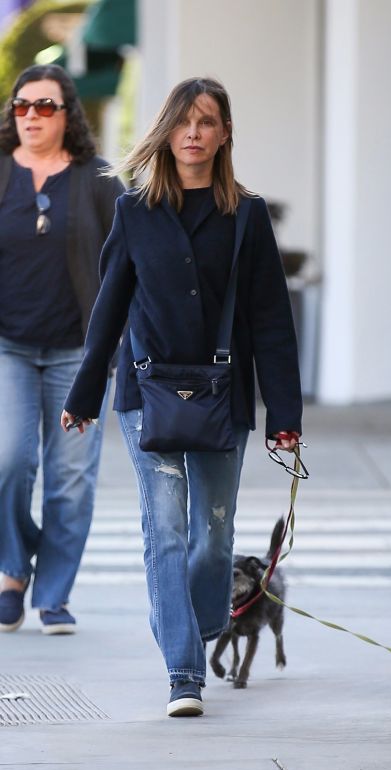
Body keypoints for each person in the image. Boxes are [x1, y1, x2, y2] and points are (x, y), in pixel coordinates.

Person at [61, 77, 303, 717]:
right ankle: (184, 672)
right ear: (167, 131)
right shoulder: (135, 211)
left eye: (207, 122)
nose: (194, 133)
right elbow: (110, 308)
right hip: (149, 395)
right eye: (183, 122)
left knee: (213, 542)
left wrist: (285, 415)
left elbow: (272, 319)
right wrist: (86, 393)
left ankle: (194, 630)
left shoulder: (246, 216)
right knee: (165, 531)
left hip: (225, 398)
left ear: (224, 134)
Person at [0, 65, 124, 635]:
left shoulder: (98, 179)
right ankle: (11, 570)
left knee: (71, 479)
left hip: (80, 352)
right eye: (22, 106)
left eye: (45, 106)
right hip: (9, 348)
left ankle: (52, 594)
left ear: (67, 114)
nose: (31, 116)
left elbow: (130, 260)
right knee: (8, 463)